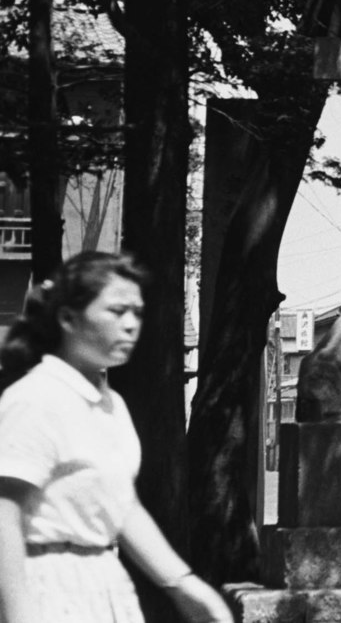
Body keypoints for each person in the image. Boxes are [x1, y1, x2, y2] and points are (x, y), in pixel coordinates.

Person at [0, 251, 233, 623]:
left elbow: (121, 506)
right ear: (68, 318)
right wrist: (18, 615)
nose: (131, 325)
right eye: (116, 311)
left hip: (104, 585)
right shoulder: (35, 400)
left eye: (137, 313)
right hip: (44, 585)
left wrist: (183, 584)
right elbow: (3, 516)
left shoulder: (112, 405)